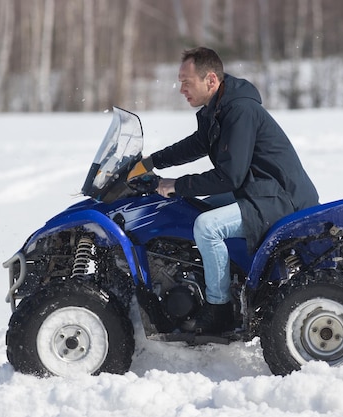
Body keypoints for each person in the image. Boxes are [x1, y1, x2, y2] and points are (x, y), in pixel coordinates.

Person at [129, 47, 319, 334]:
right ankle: (232, 280)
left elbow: (229, 176)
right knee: (196, 209)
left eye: (186, 82)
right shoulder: (218, 107)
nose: (181, 89)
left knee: (207, 226)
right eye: (180, 82)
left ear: (211, 80)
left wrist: (175, 185)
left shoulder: (239, 110)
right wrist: (151, 162)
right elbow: (197, 144)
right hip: (259, 189)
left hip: (279, 198)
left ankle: (219, 310)